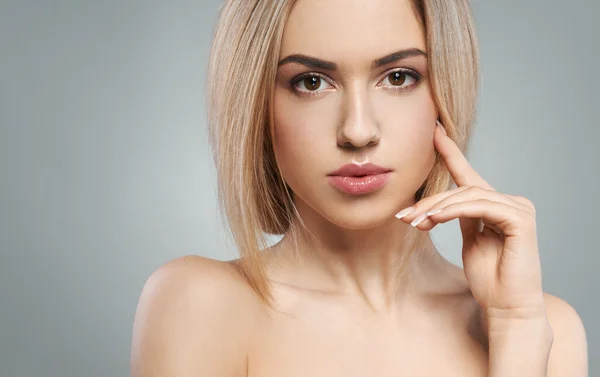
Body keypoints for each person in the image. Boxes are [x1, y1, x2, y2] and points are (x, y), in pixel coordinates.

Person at [130, 0, 588, 376]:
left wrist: (516, 331)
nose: (358, 130)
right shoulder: (199, 305)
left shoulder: (549, 328)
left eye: (398, 77)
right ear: (257, 105)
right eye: (311, 82)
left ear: (446, 90)